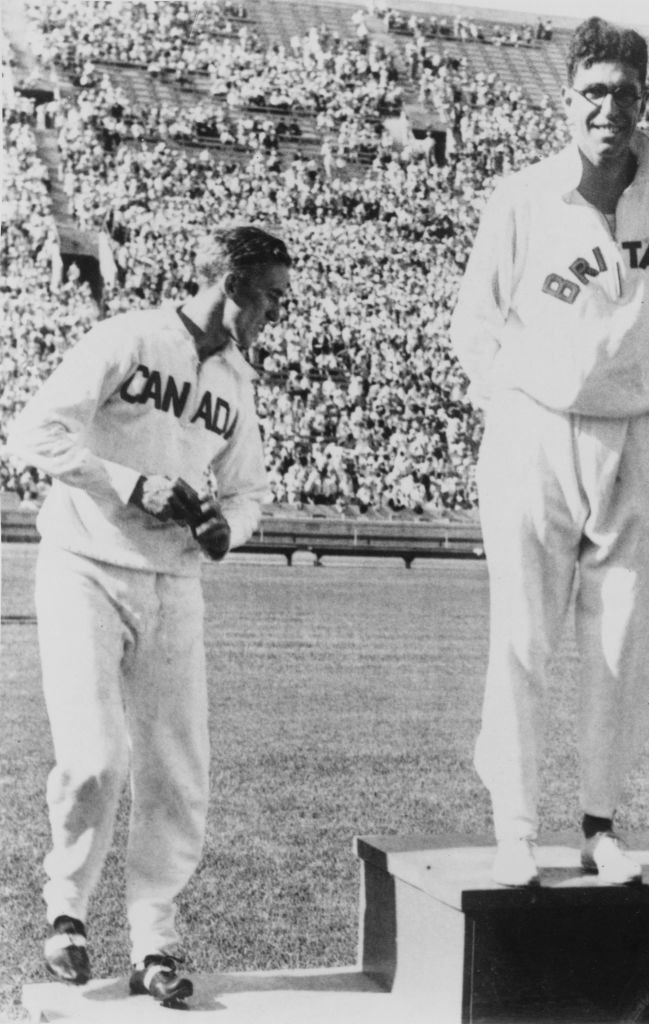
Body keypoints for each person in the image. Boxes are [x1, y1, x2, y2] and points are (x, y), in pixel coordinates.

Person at [5, 225, 293, 1006]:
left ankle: (154, 942)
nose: (276, 311)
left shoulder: (235, 381)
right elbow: (34, 431)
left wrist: (223, 528)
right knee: (97, 757)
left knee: (176, 770)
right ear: (229, 285)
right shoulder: (127, 337)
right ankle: (66, 909)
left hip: (173, 584)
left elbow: (249, 489)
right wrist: (133, 485)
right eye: (268, 295)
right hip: (84, 566)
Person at [450, 16, 649, 887]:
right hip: (534, 429)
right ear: (566, 99)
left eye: (625, 93)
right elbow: (473, 328)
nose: (609, 109)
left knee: (623, 640)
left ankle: (600, 824)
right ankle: (515, 828)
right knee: (522, 637)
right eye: (593, 92)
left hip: (634, 433)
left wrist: (638, 394)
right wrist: (522, 404)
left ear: (643, 100)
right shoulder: (521, 197)